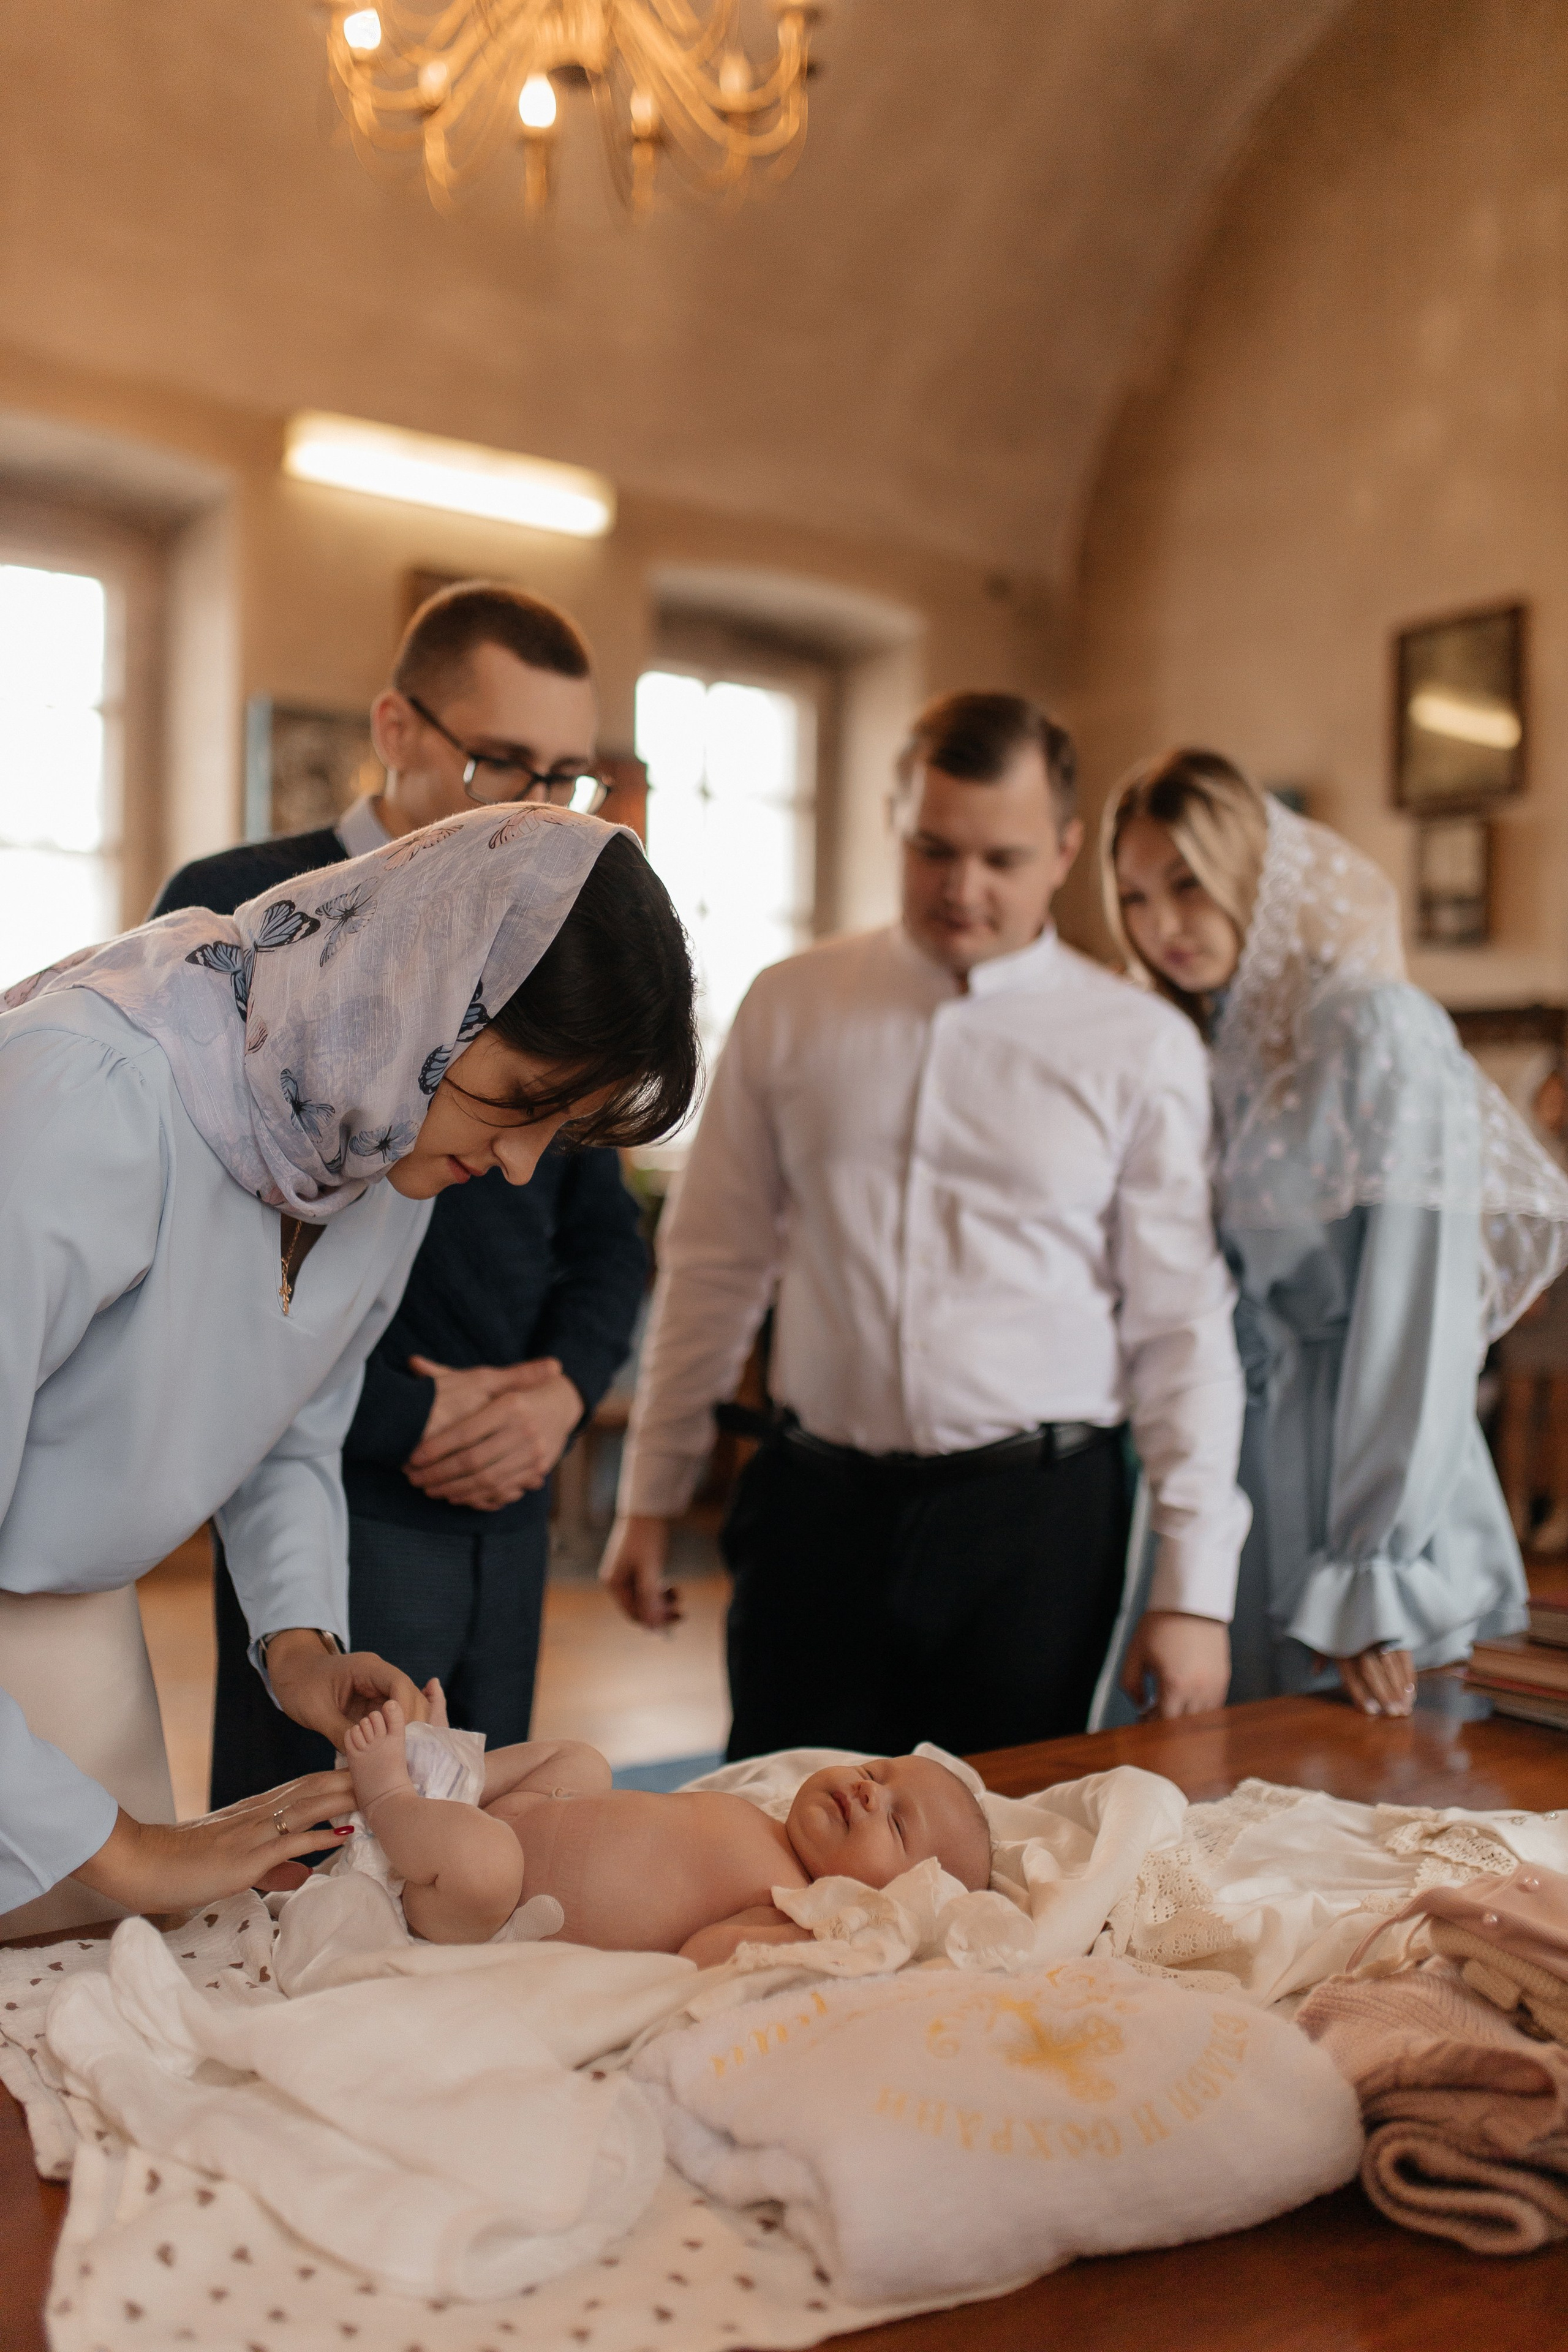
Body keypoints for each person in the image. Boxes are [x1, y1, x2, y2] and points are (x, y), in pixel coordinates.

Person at [0, 804, 697, 1931]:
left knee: (91, 2015)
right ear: (429, 987)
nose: (520, 1168)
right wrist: (135, 1854)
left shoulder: (368, 1135)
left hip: (73, 1618)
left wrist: (302, 1647)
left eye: (553, 1132)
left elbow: (287, 1427)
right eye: (518, 1107)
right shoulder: (92, 1098)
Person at [601, 691, 1250, 1758]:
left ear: (1063, 851)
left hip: (1035, 1527)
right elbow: (714, 1264)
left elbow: (1181, 1327)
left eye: (1002, 858)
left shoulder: (1139, 1046)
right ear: (894, 824)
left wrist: (1196, 1593)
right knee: (778, 1847)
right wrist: (651, 1493)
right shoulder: (790, 1005)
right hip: (814, 1511)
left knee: (1011, 1858)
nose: (963, 889)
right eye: (933, 848)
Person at [153, 582, 649, 1797]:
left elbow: (606, 1234)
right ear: (396, 729)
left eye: (566, 777)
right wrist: (407, 1421)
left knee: (475, 1845)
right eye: (502, 764)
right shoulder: (247, 915)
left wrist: (560, 1399)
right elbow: (214, 1274)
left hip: (510, 1489)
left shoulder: (550, 946)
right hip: (332, 1479)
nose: (539, 808)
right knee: (308, 1844)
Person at [1103, 751, 1568, 1714]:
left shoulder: (1375, 1027)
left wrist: (1372, 1569)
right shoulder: (1204, 1048)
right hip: (1235, 1474)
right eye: (1136, 897)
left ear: (1250, 873)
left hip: (1371, 1480)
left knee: (1383, 1812)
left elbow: (1421, 1311)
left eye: (1187, 884)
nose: (1163, 927)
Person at [341, 1694, 992, 1957]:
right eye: (877, 1774)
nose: (866, 1793)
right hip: (514, 1821)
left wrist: (813, 1944)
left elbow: (704, 1962)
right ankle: (452, 1773)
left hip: (484, 1903)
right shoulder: (763, 1820)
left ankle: (392, 1795)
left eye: (898, 1824)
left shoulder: (794, 1913)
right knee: (585, 1761)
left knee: (484, 1865)